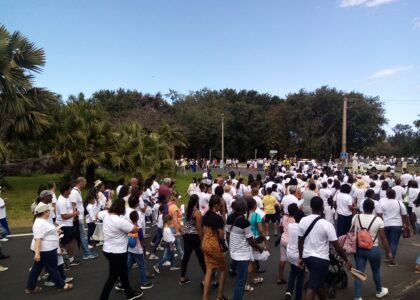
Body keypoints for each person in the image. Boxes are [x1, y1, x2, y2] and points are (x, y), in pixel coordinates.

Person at [298, 197, 352, 300]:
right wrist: (346, 260)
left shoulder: (303, 221)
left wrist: (301, 257)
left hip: (307, 257)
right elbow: (337, 247)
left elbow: (300, 242)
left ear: (311, 207)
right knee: (312, 286)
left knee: (318, 282)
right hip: (321, 260)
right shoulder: (327, 224)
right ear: (322, 207)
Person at [97, 198, 142, 300]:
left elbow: (97, 215)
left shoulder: (106, 214)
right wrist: (133, 222)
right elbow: (134, 230)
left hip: (107, 250)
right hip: (118, 252)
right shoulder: (120, 221)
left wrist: (107, 211)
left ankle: (129, 292)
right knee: (112, 277)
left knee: (123, 271)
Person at [25, 202, 74, 294]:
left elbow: (45, 232)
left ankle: (30, 287)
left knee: (37, 268)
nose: (50, 213)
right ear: (44, 212)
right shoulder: (39, 223)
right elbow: (38, 239)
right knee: (53, 268)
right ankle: (61, 285)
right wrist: (37, 254)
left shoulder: (42, 221)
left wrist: (55, 231)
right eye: (49, 211)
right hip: (46, 250)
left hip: (46, 249)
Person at [352, 199, 393, 300]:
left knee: (359, 272)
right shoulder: (378, 220)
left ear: (363, 207)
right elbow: (383, 238)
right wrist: (388, 252)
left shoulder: (356, 217)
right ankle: (379, 291)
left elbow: (353, 232)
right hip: (373, 249)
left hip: (359, 248)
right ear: (373, 208)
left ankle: (357, 297)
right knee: (376, 271)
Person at [226, 199, 261, 300]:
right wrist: (259, 247)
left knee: (239, 279)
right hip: (242, 254)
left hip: (233, 251)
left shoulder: (229, 218)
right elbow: (250, 240)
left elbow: (228, 234)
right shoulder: (244, 222)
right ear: (244, 209)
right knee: (241, 281)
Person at [201, 195, 227, 300]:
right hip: (213, 245)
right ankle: (220, 295)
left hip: (205, 243)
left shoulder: (206, 215)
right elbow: (221, 235)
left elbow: (203, 229)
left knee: (209, 270)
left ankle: (205, 297)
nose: (222, 206)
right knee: (224, 269)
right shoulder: (218, 218)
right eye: (221, 204)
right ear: (216, 205)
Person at [376, 189, 410, 266]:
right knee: (394, 243)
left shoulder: (382, 203)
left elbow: (379, 215)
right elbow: (404, 215)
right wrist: (407, 224)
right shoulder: (399, 203)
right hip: (397, 225)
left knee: (386, 241)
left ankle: (388, 256)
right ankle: (391, 260)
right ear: (394, 195)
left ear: (386, 195)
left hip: (385, 224)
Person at [180, 194, 206, 285]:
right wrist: (202, 240)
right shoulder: (197, 212)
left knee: (186, 255)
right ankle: (208, 275)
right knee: (201, 256)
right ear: (197, 201)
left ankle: (182, 277)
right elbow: (199, 227)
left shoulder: (188, 209)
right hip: (194, 235)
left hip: (186, 234)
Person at [69, 177, 98, 260]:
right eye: (85, 182)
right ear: (81, 182)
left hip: (80, 217)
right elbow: (73, 205)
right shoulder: (74, 192)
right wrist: (75, 217)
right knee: (83, 236)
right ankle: (87, 254)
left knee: (82, 236)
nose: (86, 184)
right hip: (78, 218)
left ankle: (86, 253)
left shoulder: (77, 191)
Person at [126, 210, 153, 290]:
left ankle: (122, 283)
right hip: (138, 250)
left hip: (130, 249)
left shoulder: (128, 226)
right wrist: (144, 251)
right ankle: (144, 283)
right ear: (137, 218)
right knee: (142, 266)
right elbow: (142, 241)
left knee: (128, 266)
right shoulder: (139, 228)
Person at [56, 183, 79, 267]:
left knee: (72, 240)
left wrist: (73, 214)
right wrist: (75, 213)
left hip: (69, 224)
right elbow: (64, 216)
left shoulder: (67, 197)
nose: (71, 191)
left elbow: (70, 208)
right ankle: (64, 261)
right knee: (64, 243)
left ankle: (70, 259)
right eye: (69, 189)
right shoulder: (61, 201)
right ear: (65, 191)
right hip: (63, 225)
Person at [285, 209, 305, 300]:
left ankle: (289, 291)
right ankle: (298, 297)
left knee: (292, 272)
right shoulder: (302, 229)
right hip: (298, 254)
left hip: (289, 252)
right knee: (300, 276)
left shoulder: (290, 226)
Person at [278, 203, 299, 285]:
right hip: (292, 242)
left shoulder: (284, 217)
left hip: (283, 240)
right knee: (295, 259)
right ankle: (296, 275)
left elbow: (281, 228)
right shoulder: (296, 219)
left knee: (282, 259)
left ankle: (280, 277)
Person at [412, 195, 420, 273]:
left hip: (417, 224)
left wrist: (414, 227)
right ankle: (418, 265)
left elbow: (413, 216)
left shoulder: (415, 205)